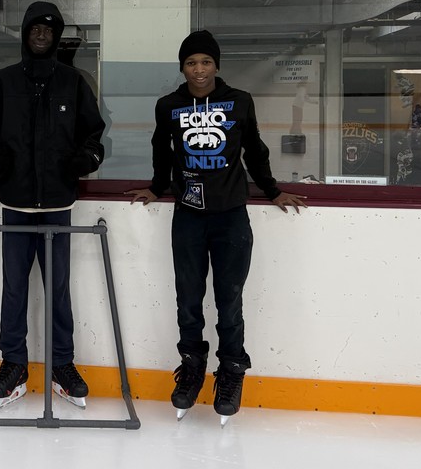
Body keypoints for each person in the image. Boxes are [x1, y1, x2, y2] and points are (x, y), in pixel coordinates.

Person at [126, 30, 306, 425]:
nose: (199, 69)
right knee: (188, 300)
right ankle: (192, 366)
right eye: (191, 62)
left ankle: (231, 372)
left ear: (216, 65)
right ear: (182, 67)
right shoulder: (168, 105)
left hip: (230, 217)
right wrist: (157, 187)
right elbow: (161, 150)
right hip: (188, 217)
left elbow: (254, 150)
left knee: (229, 301)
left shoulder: (239, 101)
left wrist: (273, 191)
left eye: (206, 62)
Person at [0, 1, 106, 410]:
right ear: (26, 34)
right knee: (14, 290)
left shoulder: (74, 82)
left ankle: (61, 365)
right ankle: (13, 365)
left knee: (58, 289)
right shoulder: (5, 80)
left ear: (57, 35)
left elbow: (94, 132)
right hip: (15, 204)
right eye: (35, 28)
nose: (42, 35)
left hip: (58, 204)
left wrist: (87, 159)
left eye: (49, 29)